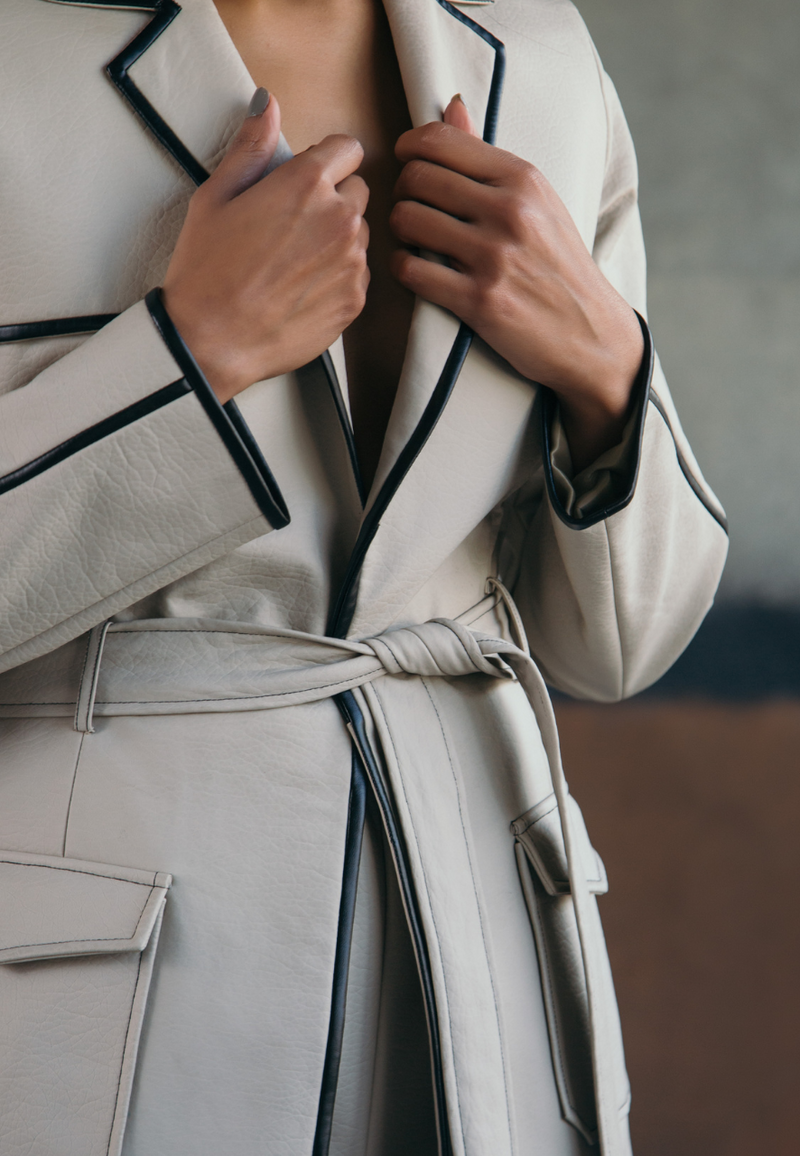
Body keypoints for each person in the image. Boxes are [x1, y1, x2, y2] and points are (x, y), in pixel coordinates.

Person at [0, 0, 728, 1154]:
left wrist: (604, 361)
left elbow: (618, 642)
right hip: (110, 1011)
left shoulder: (539, 56)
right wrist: (189, 360)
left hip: (488, 972)